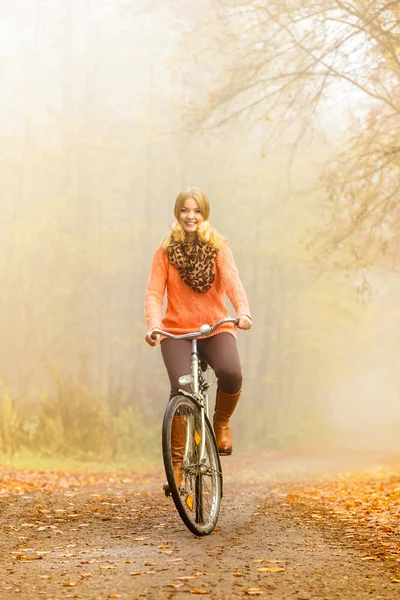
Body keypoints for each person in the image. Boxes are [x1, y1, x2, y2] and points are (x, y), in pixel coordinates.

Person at [144, 187, 252, 486]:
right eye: (184, 210)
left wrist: (243, 311)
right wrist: (153, 324)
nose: (190, 216)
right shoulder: (164, 251)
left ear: (204, 214)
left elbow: (233, 283)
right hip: (175, 331)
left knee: (231, 373)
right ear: (177, 213)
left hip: (215, 327)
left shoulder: (218, 247)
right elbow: (154, 293)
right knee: (181, 388)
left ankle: (221, 423)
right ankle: (177, 467)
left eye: (196, 210)